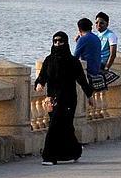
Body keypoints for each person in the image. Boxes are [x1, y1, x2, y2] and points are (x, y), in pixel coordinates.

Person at [35, 31, 93, 166]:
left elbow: (82, 81)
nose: (57, 44)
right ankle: (74, 151)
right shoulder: (49, 60)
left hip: (68, 99)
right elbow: (43, 75)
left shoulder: (73, 62)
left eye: (60, 41)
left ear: (66, 43)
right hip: (52, 99)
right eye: (55, 41)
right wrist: (39, 84)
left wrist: (89, 95)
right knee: (65, 127)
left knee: (55, 126)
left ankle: (49, 157)